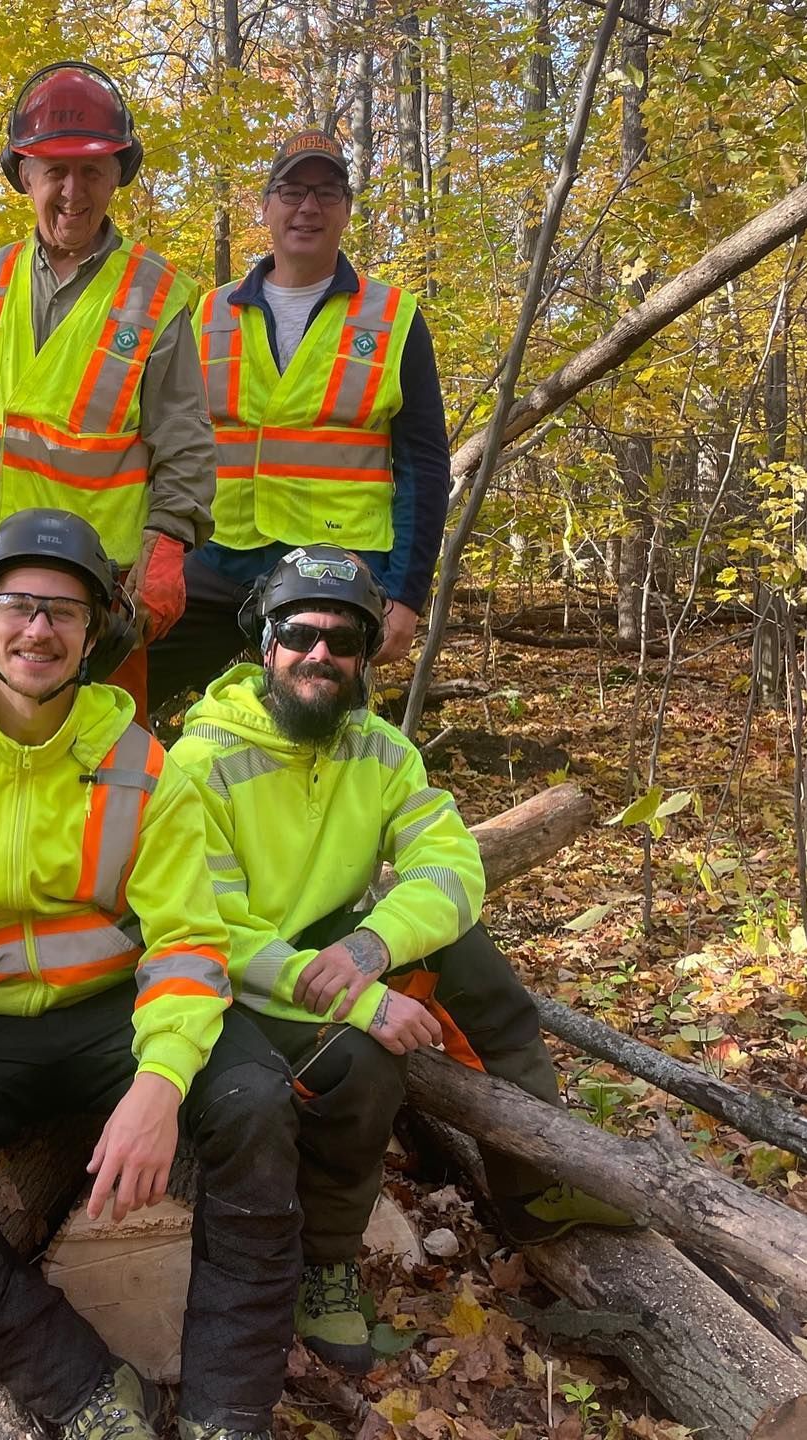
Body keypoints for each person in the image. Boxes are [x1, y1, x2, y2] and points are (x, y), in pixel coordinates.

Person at [0, 509, 302, 1440]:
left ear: (95, 632)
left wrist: (159, 1088)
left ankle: (227, 1407)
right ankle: (77, 1386)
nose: (38, 629)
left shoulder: (141, 765)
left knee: (253, 1100)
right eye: (18, 606)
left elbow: (190, 944)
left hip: (114, 1013)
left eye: (64, 613)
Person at [169, 544, 635, 1374]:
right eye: (302, 633)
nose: (322, 654)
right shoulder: (200, 764)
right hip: (240, 984)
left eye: (344, 639)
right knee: (363, 1067)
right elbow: (209, 932)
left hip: (334, 947)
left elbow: (452, 868)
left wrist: (372, 946)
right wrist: (361, 1002)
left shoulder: (382, 751)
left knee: (472, 956)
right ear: (263, 644)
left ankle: (533, 1184)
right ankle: (328, 1266)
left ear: (366, 655)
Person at [0, 61, 216, 717]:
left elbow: (183, 440)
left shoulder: (155, 296)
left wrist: (163, 555)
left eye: (92, 171)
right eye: (56, 171)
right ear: (25, 175)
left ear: (117, 174)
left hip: (98, 587)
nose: (73, 190)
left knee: (99, 763)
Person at [148, 129, 452, 711]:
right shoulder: (208, 315)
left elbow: (424, 466)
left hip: (334, 568)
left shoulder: (392, 318)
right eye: (291, 191)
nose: (307, 207)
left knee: (319, 731)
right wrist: (160, 552)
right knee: (126, 680)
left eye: (326, 192)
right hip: (216, 558)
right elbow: (169, 443)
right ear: (265, 206)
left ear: (346, 210)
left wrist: (407, 594)